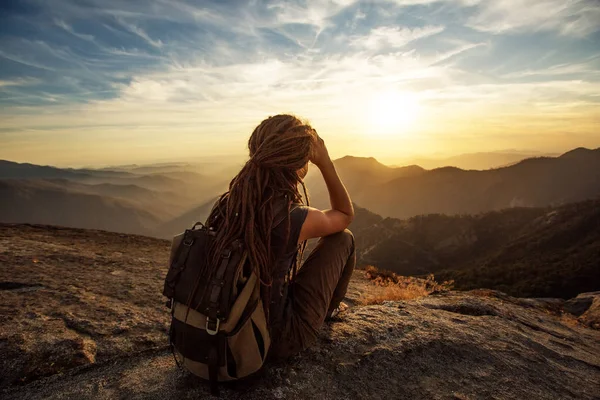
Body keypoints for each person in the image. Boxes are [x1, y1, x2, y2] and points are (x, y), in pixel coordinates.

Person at [204, 114, 356, 360]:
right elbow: (344, 214)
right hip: (273, 341)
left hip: (219, 329)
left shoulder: (229, 204)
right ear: (299, 161)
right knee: (342, 239)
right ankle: (330, 310)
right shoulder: (292, 216)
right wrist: (325, 162)